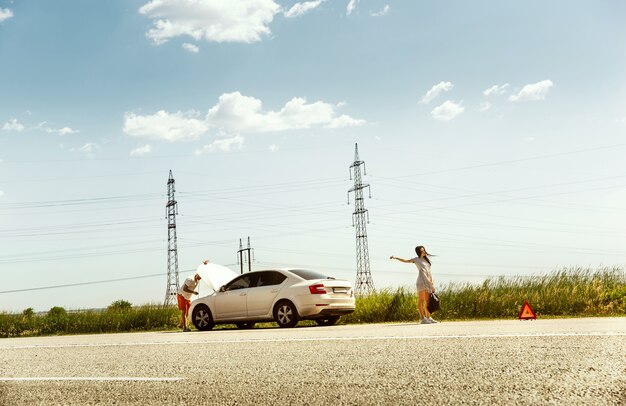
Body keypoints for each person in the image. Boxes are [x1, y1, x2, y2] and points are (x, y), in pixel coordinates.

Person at [390, 246, 437, 324]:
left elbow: (429, 272)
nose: (424, 252)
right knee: (421, 300)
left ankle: (429, 317)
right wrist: (396, 257)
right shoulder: (416, 260)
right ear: (419, 252)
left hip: (428, 282)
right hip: (421, 282)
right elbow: (406, 261)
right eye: (422, 251)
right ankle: (422, 318)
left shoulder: (426, 260)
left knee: (428, 301)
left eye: (424, 250)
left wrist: (431, 282)